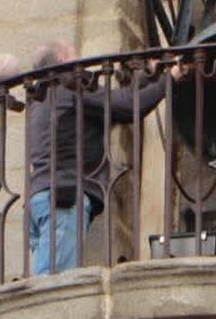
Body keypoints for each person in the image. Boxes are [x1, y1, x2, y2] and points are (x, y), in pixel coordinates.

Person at [24, 41, 170, 275]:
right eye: (75, 55)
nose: (81, 61)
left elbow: (113, 101)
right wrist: (168, 81)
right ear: (63, 60)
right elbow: (127, 107)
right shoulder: (71, 90)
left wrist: (148, 77)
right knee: (54, 283)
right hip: (63, 198)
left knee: (48, 275)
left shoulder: (42, 99)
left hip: (41, 197)